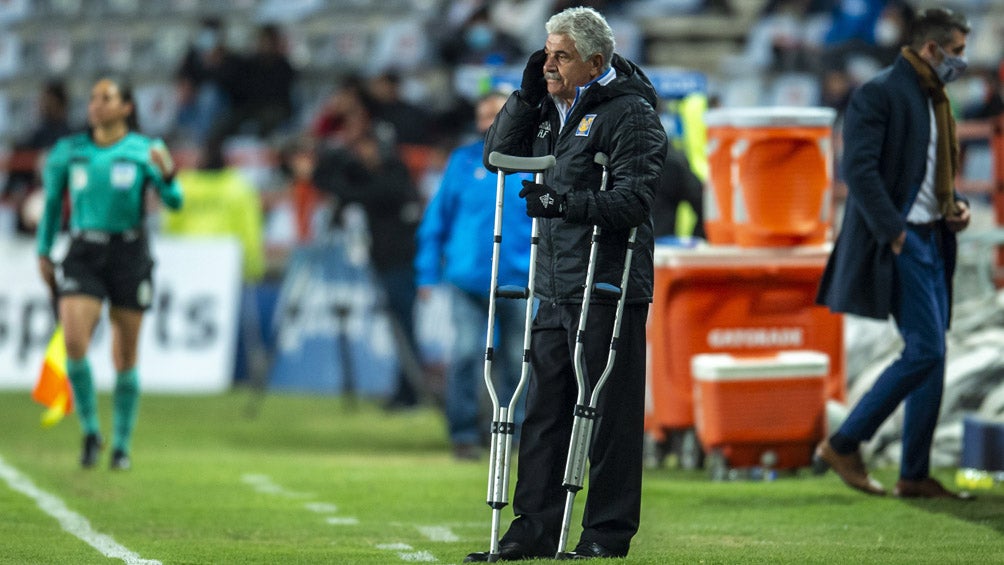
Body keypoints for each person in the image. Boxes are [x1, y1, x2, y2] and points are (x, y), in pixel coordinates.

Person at [465, 7, 667, 561]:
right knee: (546, 411)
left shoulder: (631, 114)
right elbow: (495, 157)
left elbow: (634, 200)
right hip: (554, 282)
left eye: (561, 57)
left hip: (608, 282)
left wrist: (565, 203)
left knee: (609, 415)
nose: (549, 64)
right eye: (546, 53)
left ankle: (605, 533)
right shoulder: (552, 107)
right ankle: (533, 528)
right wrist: (527, 94)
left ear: (595, 62)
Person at [814, 7, 974, 500]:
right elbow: (859, 171)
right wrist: (895, 232)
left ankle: (914, 473)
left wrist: (955, 206)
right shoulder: (881, 92)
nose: (961, 62)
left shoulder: (933, 96)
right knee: (925, 350)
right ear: (932, 49)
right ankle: (844, 442)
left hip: (933, 235)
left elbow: (928, 173)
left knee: (934, 355)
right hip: (902, 240)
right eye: (957, 52)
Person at [35, 77, 183, 470]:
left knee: (125, 354)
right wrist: (44, 251)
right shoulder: (68, 151)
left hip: (129, 253)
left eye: (106, 98)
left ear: (126, 108)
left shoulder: (146, 150)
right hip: (83, 250)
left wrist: (167, 176)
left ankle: (121, 445)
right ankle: (89, 433)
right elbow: (52, 205)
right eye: (93, 97)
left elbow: (175, 201)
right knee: (75, 341)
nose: (96, 104)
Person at [414, 92, 532, 461]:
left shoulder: (536, 160)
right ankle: (463, 433)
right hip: (467, 279)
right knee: (466, 354)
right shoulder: (463, 162)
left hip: (519, 279)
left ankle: (513, 434)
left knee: (517, 359)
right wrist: (426, 273)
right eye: (483, 114)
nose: (489, 121)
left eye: (496, 113)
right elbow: (437, 219)